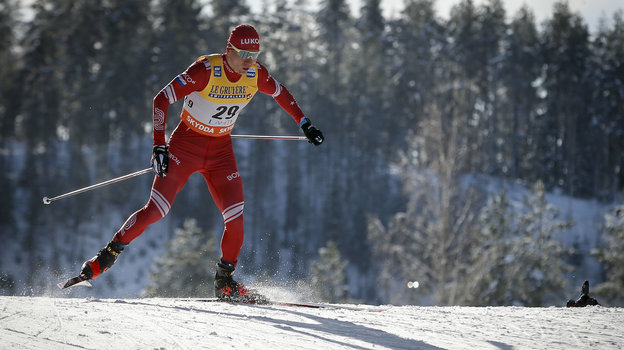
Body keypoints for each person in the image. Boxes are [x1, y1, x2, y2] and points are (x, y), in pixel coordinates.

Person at [77, 24, 324, 302]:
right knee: (156, 210)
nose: (248, 60)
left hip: (220, 153)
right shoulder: (205, 70)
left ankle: (225, 282)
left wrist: (305, 123)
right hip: (185, 147)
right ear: (229, 49)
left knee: (236, 219)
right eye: (243, 52)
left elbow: (281, 93)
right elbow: (161, 99)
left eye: (254, 53)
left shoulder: (256, 73)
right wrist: (159, 144)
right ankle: (106, 256)